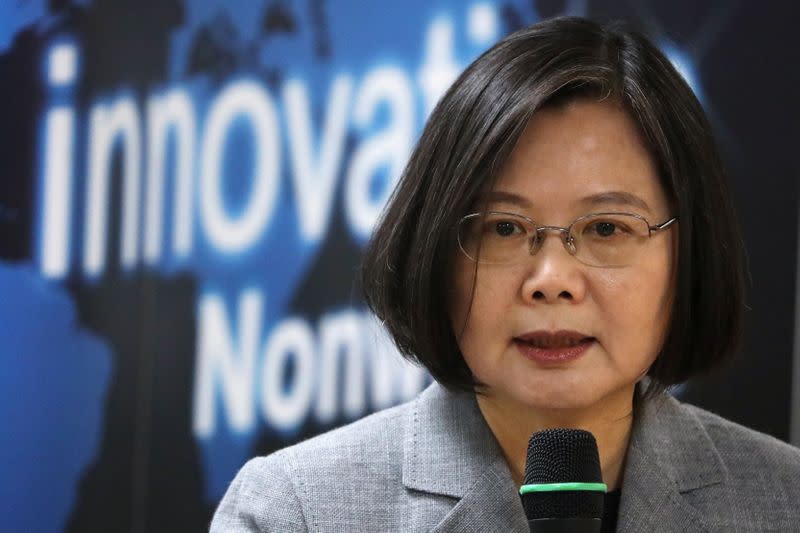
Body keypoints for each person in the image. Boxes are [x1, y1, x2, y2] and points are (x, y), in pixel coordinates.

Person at [210, 16, 800, 532]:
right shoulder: (295, 513)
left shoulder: (784, 503)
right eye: (503, 229)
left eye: (605, 229)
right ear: (438, 254)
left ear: (687, 254)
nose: (551, 279)